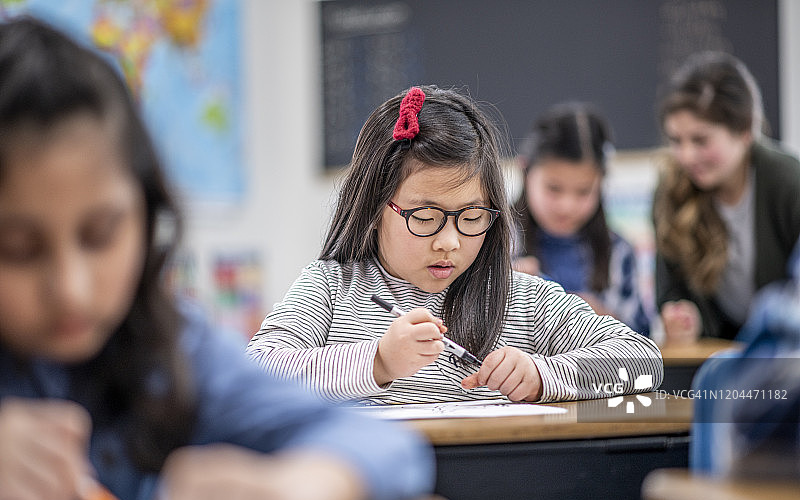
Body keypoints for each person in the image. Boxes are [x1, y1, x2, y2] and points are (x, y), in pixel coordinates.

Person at [0, 17, 433, 500]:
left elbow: (388, 449)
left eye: (101, 235)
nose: (72, 290)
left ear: (149, 214)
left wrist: (288, 492)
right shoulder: (325, 283)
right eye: (18, 250)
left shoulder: (169, 347)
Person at [247, 85, 662, 404]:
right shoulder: (332, 288)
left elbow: (643, 363)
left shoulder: (520, 297)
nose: (449, 242)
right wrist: (378, 361)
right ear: (374, 209)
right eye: (424, 218)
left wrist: (543, 376)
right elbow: (257, 374)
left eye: (472, 218)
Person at [652, 51, 800, 344]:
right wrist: (683, 317)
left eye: (700, 140)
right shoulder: (670, 191)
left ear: (745, 131)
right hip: (720, 354)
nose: (686, 156)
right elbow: (671, 290)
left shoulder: (787, 181)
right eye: (676, 140)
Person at [512, 102, 651, 336]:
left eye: (584, 191)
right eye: (554, 188)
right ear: (525, 171)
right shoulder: (492, 241)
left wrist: (604, 320)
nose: (566, 206)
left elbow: (642, 341)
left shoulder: (619, 253)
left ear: (601, 182)